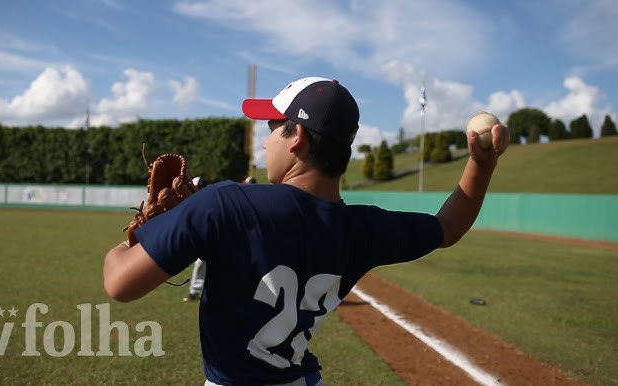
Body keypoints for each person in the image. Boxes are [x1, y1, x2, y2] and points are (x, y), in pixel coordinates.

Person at [103, 76, 509, 385]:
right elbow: (448, 226)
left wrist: (142, 234)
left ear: (296, 135)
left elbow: (119, 282)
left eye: (271, 127)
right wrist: (482, 164)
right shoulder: (362, 228)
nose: (264, 143)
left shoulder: (224, 203)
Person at [183, 176, 208, 302]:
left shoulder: (206, 199)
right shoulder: (194, 199)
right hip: (203, 237)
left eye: (194, 187)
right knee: (200, 264)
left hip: (209, 237)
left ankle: (195, 292)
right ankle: (194, 292)